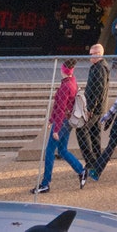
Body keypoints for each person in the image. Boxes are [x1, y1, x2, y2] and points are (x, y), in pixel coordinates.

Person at [32, 59, 87, 194]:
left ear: (62, 70)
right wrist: (52, 119)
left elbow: (60, 108)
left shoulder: (64, 87)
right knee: (62, 150)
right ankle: (81, 170)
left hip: (61, 122)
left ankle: (45, 183)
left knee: (50, 151)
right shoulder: (72, 82)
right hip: (67, 121)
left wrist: (55, 128)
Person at [76, 43, 108, 169]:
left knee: (82, 129)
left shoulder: (99, 68)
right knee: (95, 133)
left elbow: (98, 90)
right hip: (98, 107)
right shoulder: (99, 67)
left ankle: (91, 160)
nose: (89, 56)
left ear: (98, 54)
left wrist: (90, 109)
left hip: (95, 108)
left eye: (92, 54)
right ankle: (97, 160)